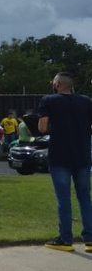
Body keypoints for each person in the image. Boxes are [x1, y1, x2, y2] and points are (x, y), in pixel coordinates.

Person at [37, 72, 92, 252]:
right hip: (82, 154)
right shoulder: (86, 101)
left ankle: (66, 238)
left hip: (60, 154)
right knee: (84, 197)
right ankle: (90, 239)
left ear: (58, 84)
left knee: (63, 197)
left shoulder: (49, 100)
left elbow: (42, 127)